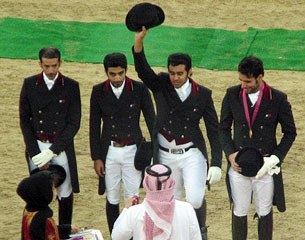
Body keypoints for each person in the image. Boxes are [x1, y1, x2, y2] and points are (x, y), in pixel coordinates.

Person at [132, 27, 223, 239]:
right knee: (172, 199)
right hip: (165, 154)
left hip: (191, 153)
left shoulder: (204, 95)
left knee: (195, 199)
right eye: (172, 73)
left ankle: (200, 231)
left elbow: (213, 130)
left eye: (180, 74)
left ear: (190, 72)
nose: (175, 78)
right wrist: (138, 43)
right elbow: (143, 71)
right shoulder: (162, 83)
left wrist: (217, 162)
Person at [219, 56, 297, 239]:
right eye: (241, 80)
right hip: (238, 165)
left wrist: (274, 159)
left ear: (260, 77)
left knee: (264, 210)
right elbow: (223, 128)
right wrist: (230, 154)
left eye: (247, 81)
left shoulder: (277, 98)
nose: (243, 85)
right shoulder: (232, 94)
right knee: (239, 209)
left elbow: (290, 133)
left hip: (265, 167)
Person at [89, 52, 155, 235]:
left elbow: (152, 122)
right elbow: (94, 126)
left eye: (120, 73)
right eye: (112, 74)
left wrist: (155, 153)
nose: (117, 78)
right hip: (109, 151)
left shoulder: (140, 89)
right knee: (112, 197)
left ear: (126, 70)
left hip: (133, 151)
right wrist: (97, 157)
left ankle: (132, 236)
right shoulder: (98, 91)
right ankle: (114, 235)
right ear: (106, 72)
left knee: (132, 196)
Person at [19, 46, 82, 226]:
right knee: (37, 194)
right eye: (47, 66)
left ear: (60, 63)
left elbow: (73, 123)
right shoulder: (29, 84)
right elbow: (25, 120)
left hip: (60, 148)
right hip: (37, 146)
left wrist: (53, 151)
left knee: (65, 193)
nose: (51, 70)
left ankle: (64, 231)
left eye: (54, 66)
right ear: (40, 64)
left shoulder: (71, 86)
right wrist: (35, 152)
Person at [111, 164, 202, 240]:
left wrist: (126, 209)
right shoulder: (187, 209)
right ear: (171, 182)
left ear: (146, 183)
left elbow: (117, 237)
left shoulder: (134, 212)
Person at [17, 169, 80, 239]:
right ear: (43, 192)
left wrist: (67, 228)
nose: (55, 190)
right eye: (52, 188)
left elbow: (43, 230)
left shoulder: (30, 209)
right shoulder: (45, 219)